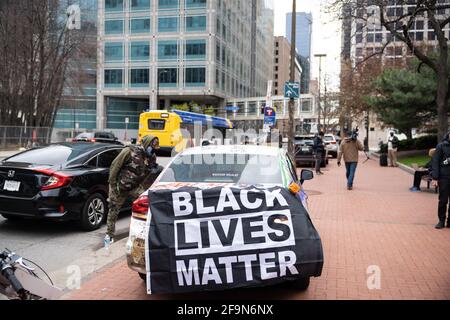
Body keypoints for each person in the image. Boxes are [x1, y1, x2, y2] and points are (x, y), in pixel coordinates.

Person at [105, 135, 161, 243]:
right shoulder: (129, 151)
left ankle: (145, 230)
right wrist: (112, 186)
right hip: (119, 186)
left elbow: (147, 174)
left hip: (134, 187)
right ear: (146, 144)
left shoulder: (151, 157)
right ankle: (109, 235)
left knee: (147, 203)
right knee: (113, 211)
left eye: (155, 148)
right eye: (151, 147)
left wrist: (140, 186)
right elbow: (114, 166)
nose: (153, 150)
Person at [431, 129, 450, 229]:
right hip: (444, 178)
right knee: (443, 200)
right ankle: (441, 221)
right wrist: (435, 178)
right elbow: (435, 162)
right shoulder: (441, 146)